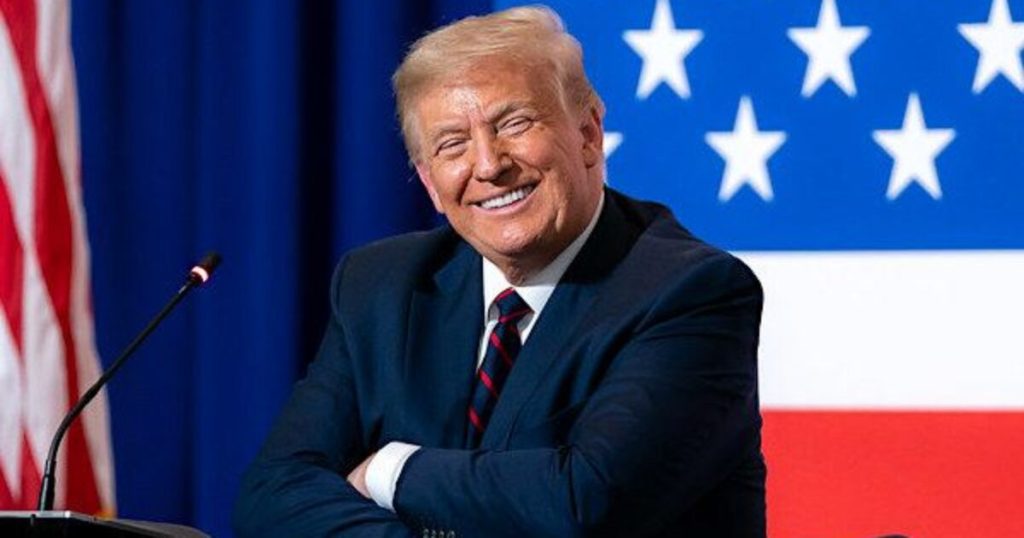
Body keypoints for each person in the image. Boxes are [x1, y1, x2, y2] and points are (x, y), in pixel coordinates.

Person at [234, 6, 765, 537]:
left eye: (514, 124)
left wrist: (388, 471)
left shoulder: (690, 291)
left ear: (588, 133)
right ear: (429, 182)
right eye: (452, 144)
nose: (489, 165)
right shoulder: (381, 285)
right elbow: (271, 496)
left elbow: (585, 502)